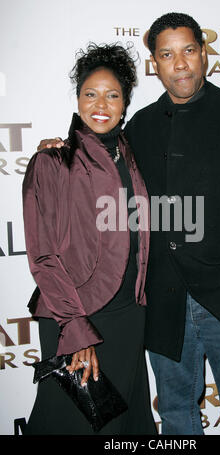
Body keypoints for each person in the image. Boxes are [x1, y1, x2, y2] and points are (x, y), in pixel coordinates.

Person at [38, 13, 220, 435]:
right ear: (154, 64)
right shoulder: (138, 127)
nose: (180, 64)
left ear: (204, 53)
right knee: (176, 417)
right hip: (165, 302)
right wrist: (61, 149)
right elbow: (98, 162)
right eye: (167, 54)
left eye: (188, 51)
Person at [23, 42, 156, 435]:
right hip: (77, 315)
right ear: (78, 99)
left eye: (112, 95)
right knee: (73, 422)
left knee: (125, 424)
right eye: (90, 93)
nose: (101, 104)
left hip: (128, 315)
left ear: (125, 102)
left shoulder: (133, 155)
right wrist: (75, 330)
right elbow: (43, 257)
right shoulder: (52, 161)